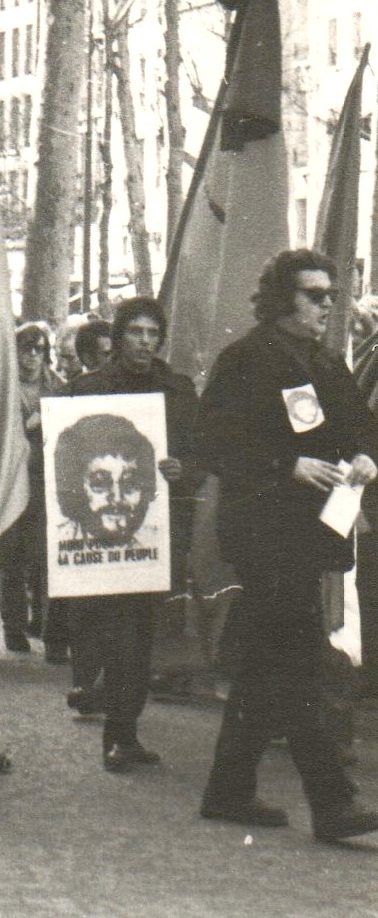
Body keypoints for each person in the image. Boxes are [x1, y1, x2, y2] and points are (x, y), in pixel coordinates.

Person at [197, 250, 378, 843]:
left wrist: (364, 455)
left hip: (312, 532)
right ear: (281, 298)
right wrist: (287, 464)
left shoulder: (326, 361)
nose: (327, 305)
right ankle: (332, 803)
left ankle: (227, 790)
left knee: (265, 663)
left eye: (330, 295)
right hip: (263, 532)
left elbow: (359, 425)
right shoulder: (246, 359)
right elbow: (211, 441)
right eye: (313, 295)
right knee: (299, 663)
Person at [64, 297, 199, 771]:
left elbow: (201, 453)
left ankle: (125, 730)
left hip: (154, 532)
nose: (144, 342)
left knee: (140, 634)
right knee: (117, 631)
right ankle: (117, 731)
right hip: (100, 533)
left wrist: (185, 469)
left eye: (152, 333)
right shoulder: (87, 389)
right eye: (135, 332)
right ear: (119, 336)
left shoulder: (178, 390)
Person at [6, 322, 64, 654]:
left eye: (38, 349)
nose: (31, 355)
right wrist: (27, 425)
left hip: (47, 477)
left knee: (47, 555)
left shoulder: (57, 386)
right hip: (15, 477)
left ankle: (45, 624)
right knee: (14, 555)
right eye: (25, 348)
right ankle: (13, 626)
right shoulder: (4, 385)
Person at [52, 414, 158, 548]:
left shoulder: (156, 540)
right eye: (100, 484)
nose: (117, 498)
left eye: (130, 484)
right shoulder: (55, 541)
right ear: (75, 487)